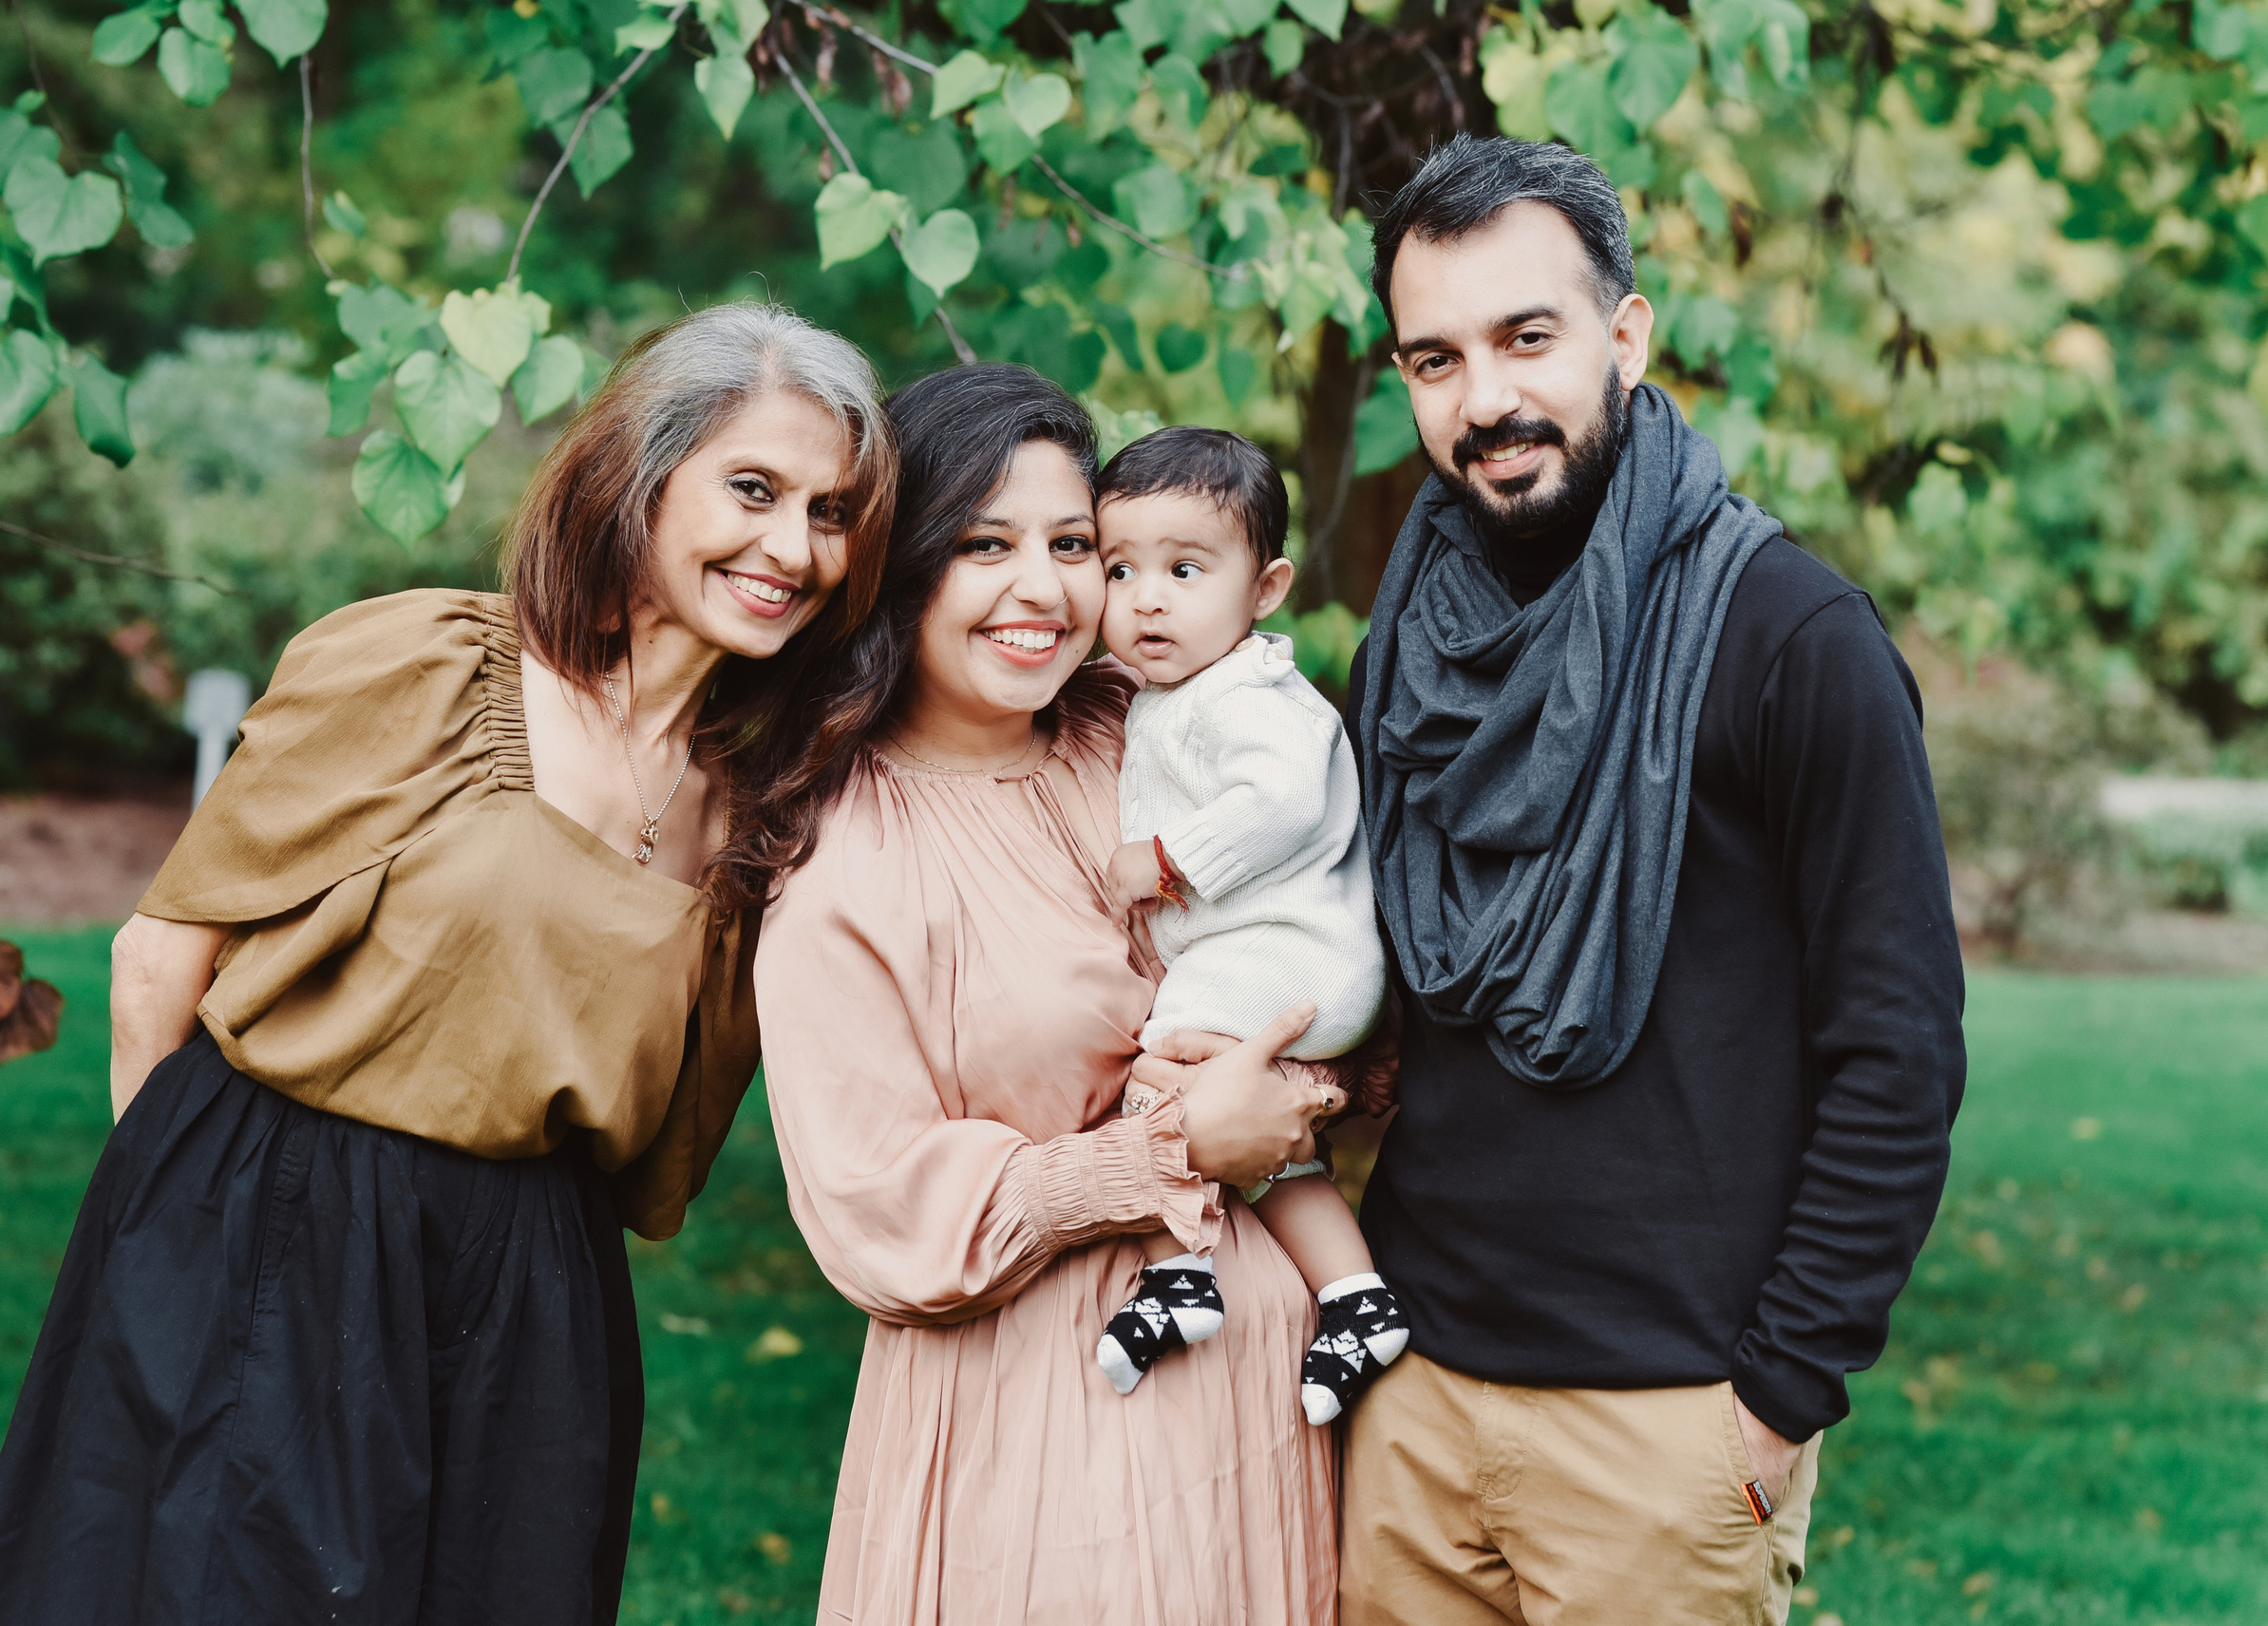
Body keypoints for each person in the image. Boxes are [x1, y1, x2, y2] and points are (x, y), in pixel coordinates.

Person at [0, 303, 897, 1626]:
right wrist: (171, 1271)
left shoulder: (757, 819)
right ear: (642, 476)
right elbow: (162, 954)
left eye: (832, 511)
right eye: (753, 488)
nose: (790, 547)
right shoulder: (430, 667)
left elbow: (659, 1155)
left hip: (533, 1289)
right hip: (285, 1221)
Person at [1337, 134, 1968, 1626]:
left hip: (1670, 1422)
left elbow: (1898, 1050)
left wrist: (1773, 1403)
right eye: (1434, 359)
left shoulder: (1791, 637)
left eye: (1526, 338)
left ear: (1626, 336)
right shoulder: (1408, 644)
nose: (1485, 399)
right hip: (1410, 1396)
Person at [753, 365, 1349, 1624]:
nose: (1046, 588)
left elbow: (1321, 914)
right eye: (984, 545)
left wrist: (1303, 1082)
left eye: (1073, 543)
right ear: (903, 566)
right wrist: (1173, 1147)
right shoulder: (845, 860)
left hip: (1262, 1394)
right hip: (1041, 1427)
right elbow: (882, 1210)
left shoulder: (1145, 732)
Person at [1087, 425, 1408, 1426]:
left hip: (1289, 957)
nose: (1146, 597)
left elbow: (1281, 801)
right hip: (1281, 961)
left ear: (1264, 588)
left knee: (1159, 1076)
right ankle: (1356, 1299)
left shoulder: (1252, 696)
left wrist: (1168, 862)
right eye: (1118, 568)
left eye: (1185, 568)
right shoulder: (1175, 691)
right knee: (1276, 1155)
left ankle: (1180, 1273)